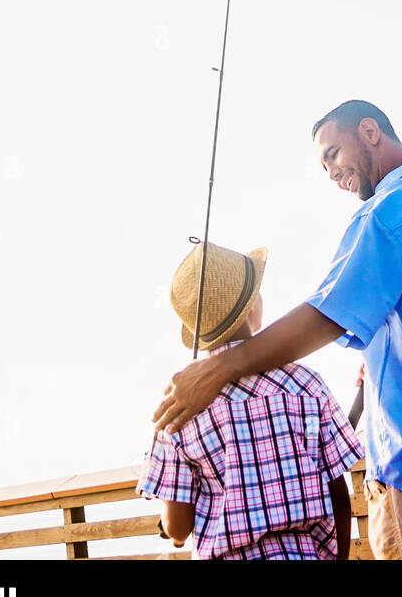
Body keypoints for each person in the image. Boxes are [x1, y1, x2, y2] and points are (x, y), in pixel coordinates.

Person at [154, 102, 402, 560]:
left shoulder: (386, 214)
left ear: (370, 131)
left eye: (333, 154)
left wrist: (219, 368)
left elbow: (325, 316)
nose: (333, 173)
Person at [136, 239, 363, 560]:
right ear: (251, 305)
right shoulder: (307, 384)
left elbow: (178, 527)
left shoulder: (180, 405)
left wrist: (166, 521)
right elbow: (338, 494)